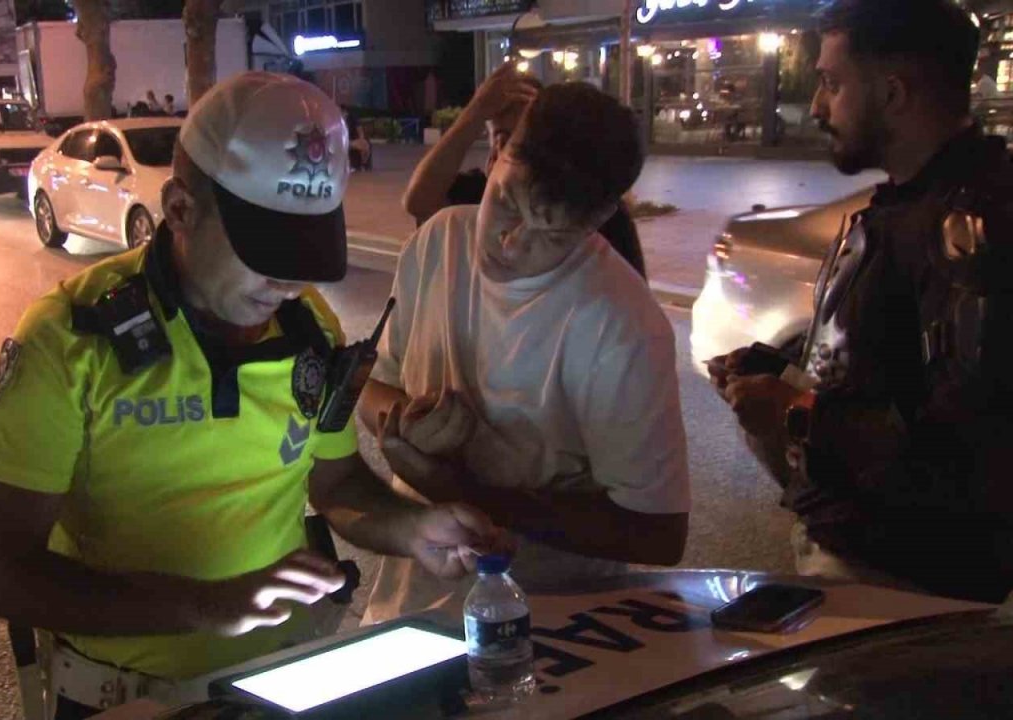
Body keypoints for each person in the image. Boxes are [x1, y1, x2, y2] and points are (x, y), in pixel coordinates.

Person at [0, 72, 508, 719]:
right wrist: (203, 606)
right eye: (264, 249)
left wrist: (412, 528)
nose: (288, 281)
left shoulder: (309, 329)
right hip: (125, 699)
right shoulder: (68, 339)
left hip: (284, 682)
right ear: (179, 210)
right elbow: (3, 572)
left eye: (305, 249)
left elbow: (336, 483)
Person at [708, 0, 1013, 604]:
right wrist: (781, 371)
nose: (817, 107)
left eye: (831, 83)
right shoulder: (909, 205)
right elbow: (887, 372)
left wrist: (794, 412)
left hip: (907, 585)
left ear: (894, 93)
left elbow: (968, 450)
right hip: (863, 556)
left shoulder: (970, 230)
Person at [357, 82, 691, 625]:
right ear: (496, 154)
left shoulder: (623, 326)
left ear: (598, 219)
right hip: (409, 606)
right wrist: (406, 423)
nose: (511, 243)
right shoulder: (438, 242)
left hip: (552, 627)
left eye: (551, 234)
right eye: (508, 203)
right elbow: (373, 387)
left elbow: (659, 533)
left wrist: (463, 490)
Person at [403, 62, 647, 278]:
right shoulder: (477, 191)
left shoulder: (586, 208)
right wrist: (474, 113)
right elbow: (418, 201)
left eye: (519, 139)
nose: (505, 150)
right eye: (499, 136)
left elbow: (632, 296)